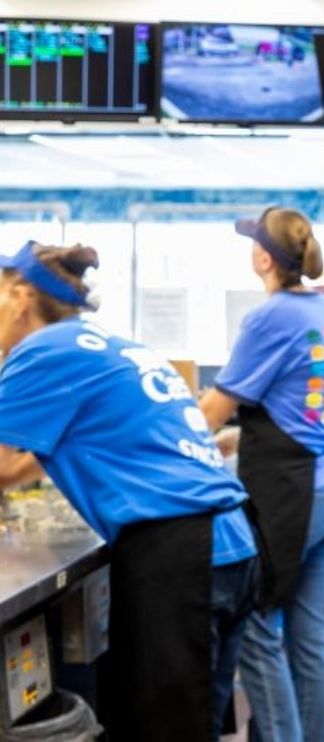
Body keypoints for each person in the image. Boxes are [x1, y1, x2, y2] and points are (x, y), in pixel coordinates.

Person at [0, 242, 258, 742]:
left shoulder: (39, 352)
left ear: (19, 296)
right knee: (190, 723)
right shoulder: (107, 344)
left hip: (179, 551)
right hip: (231, 544)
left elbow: (3, 468)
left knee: (163, 730)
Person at [200, 208, 324, 742]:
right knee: (308, 629)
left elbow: (211, 410)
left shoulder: (270, 317)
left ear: (263, 257)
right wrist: (244, 439)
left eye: (252, 243)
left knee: (257, 629)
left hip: (289, 500)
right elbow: (304, 408)